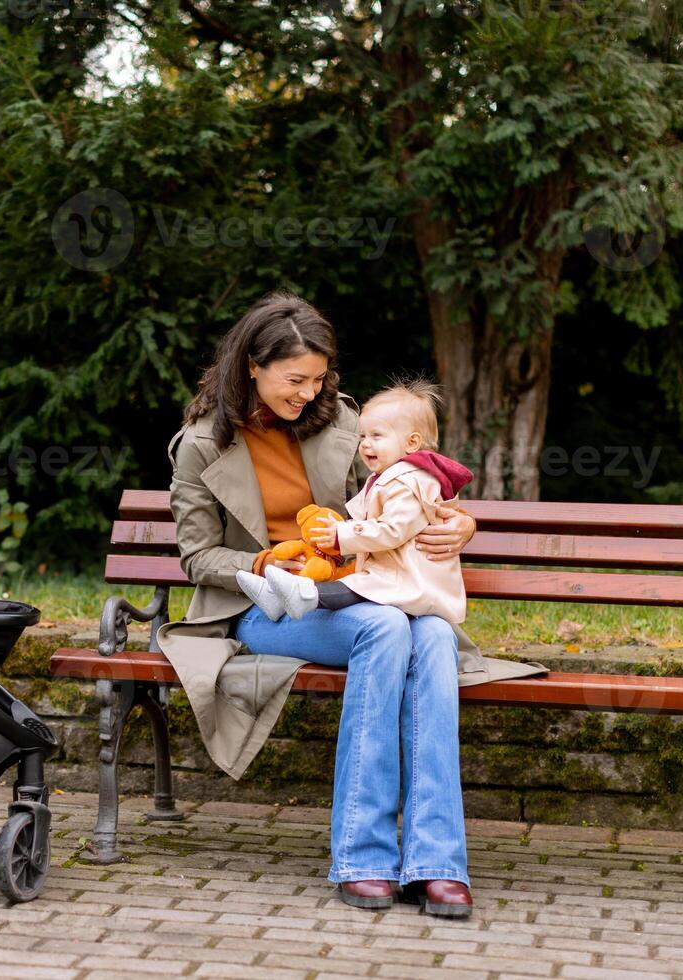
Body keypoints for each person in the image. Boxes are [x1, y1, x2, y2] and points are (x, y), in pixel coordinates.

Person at [157, 290, 481, 916]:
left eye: (318, 379)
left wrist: (462, 522)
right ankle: (362, 855)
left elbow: (405, 498)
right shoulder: (202, 444)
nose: (308, 393)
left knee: (434, 634)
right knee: (387, 630)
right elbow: (197, 556)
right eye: (294, 379)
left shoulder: (342, 424)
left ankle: (437, 862)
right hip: (267, 609)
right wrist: (263, 562)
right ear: (252, 363)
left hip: (359, 590)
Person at [234, 379, 474, 624]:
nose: (365, 444)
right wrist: (336, 527)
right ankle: (280, 596)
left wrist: (342, 534)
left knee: (354, 586)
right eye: (362, 436)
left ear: (411, 442)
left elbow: (393, 530)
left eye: (376, 436)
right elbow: (363, 514)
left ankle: (295, 595)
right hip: (393, 571)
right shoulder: (388, 476)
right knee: (353, 583)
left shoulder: (409, 482)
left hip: (409, 580)